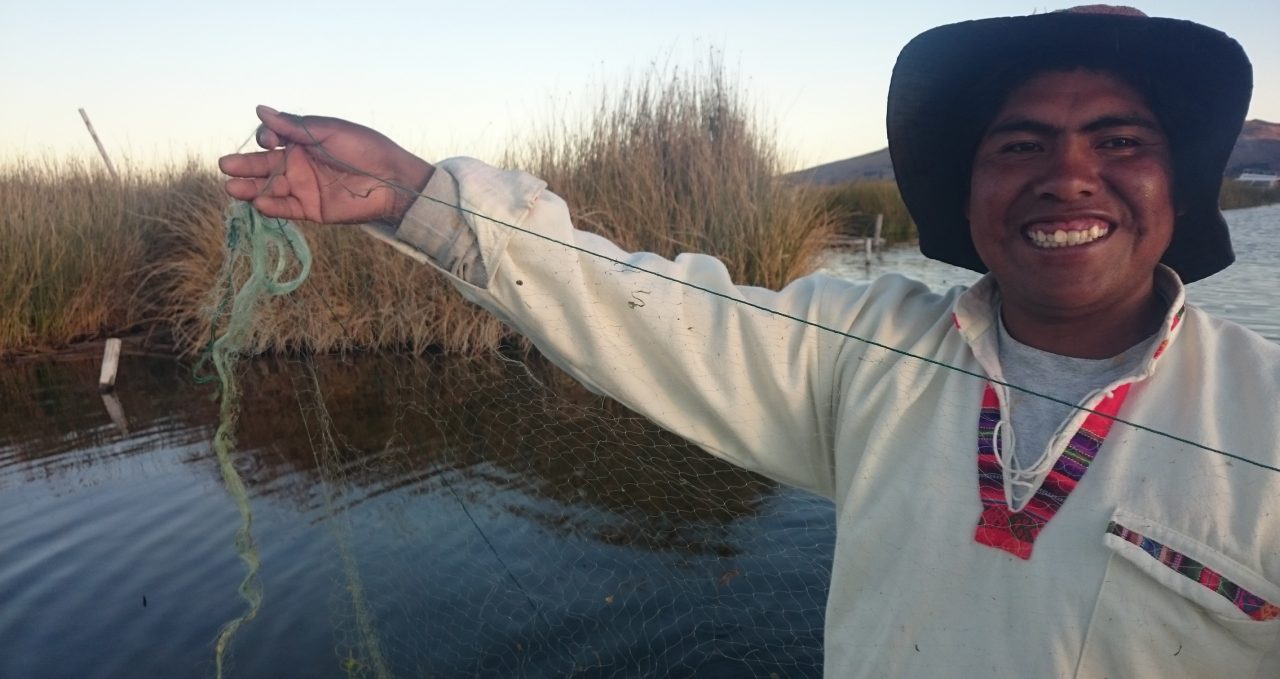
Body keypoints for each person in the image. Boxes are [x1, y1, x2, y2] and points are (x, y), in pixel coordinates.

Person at [220, 6, 1280, 677]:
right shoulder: (863, 344)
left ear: (1173, 186)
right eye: (1020, 143)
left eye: (1118, 141)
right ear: (970, 188)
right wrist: (415, 196)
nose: (1067, 174)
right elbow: (627, 302)